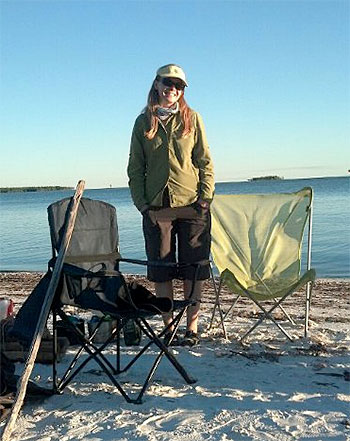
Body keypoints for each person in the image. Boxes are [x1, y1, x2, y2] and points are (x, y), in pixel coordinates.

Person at [127, 64, 214, 346]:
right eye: (168, 83)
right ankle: (168, 327)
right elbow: (135, 168)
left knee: (194, 268)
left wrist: (205, 197)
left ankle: (191, 328)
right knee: (161, 268)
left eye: (178, 86)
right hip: (157, 207)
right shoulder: (143, 123)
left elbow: (205, 162)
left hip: (192, 205)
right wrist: (142, 205)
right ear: (156, 84)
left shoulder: (193, 119)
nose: (172, 89)